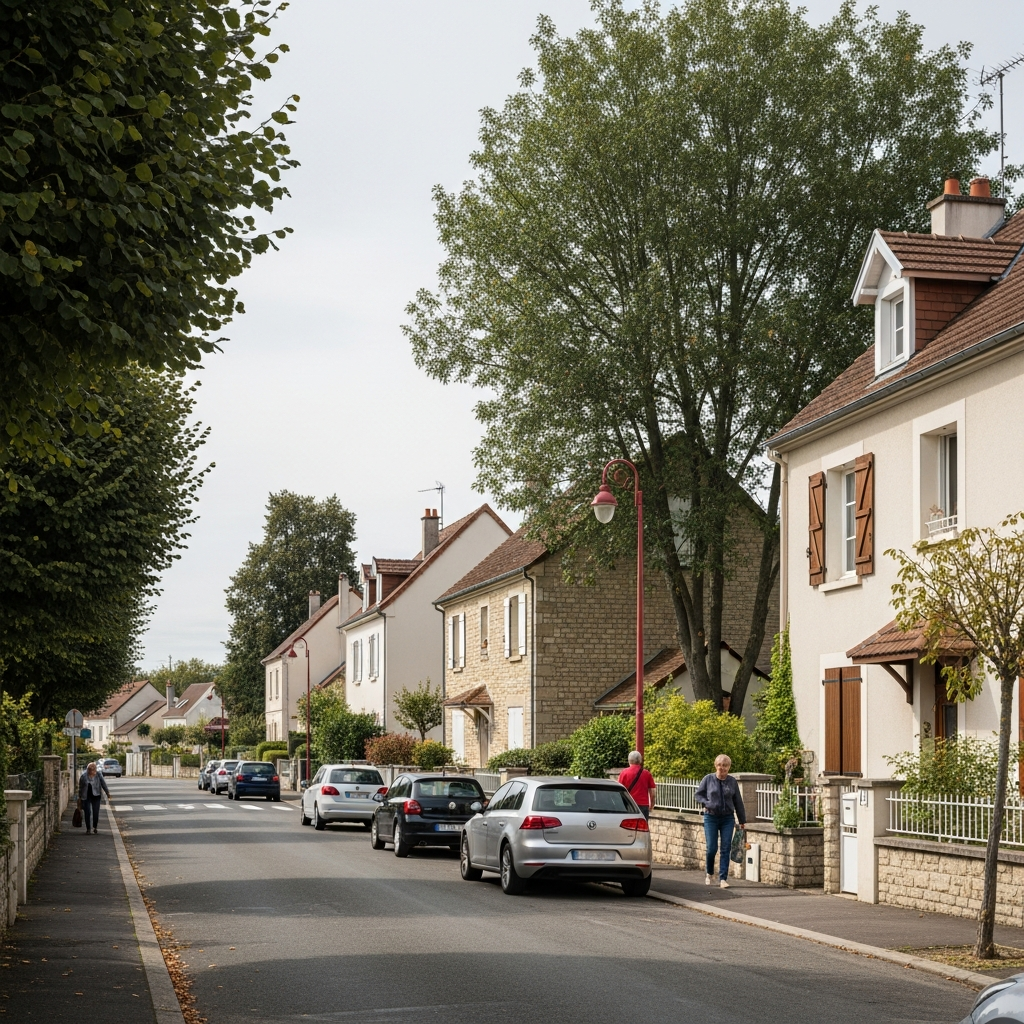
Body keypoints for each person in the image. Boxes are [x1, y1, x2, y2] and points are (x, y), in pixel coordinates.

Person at [694, 754, 746, 888]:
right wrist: (707, 803)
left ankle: (723, 878)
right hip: (711, 817)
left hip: (727, 818)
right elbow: (698, 795)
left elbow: (738, 801)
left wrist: (742, 820)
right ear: (715, 765)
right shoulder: (708, 779)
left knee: (725, 847)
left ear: (729, 767)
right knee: (711, 848)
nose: (722, 768)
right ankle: (709, 872)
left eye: (725, 765)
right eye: (719, 765)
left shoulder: (732, 782)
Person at [618, 751, 656, 819]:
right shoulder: (647, 773)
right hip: (643, 805)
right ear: (640, 760)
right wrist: (651, 805)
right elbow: (652, 793)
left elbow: (619, 791)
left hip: (629, 804)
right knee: (642, 825)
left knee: (629, 824)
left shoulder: (624, 773)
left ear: (629, 760)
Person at [78, 761, 110, 835]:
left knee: (96, 812)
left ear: (95, 769)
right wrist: (79, 797)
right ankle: (88, 828)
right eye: (90, 769)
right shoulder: (83, 776)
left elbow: (103, 783)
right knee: (87, 812)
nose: (92, 771)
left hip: (96, 795)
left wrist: (107, 792)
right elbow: (80, 787)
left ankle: (95, 827)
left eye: (93, 769)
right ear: (88, 769)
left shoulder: (98, 775)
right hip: (86, 796)